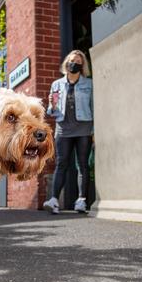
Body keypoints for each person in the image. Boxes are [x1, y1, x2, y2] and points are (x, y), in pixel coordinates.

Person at [43, 50, 93, 214]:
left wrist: (94, 131)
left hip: (83, 128)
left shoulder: (89, 84)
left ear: (82, 65)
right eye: (72, 60)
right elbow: (52, 111)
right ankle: (54, 200)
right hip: (63, 129)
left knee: (82, 165)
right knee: (61, 163)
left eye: (78, 61)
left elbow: (94, 107)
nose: (75, 63)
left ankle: (81, 201)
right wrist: (52, 105)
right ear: (67, 63)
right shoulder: (56, 84)